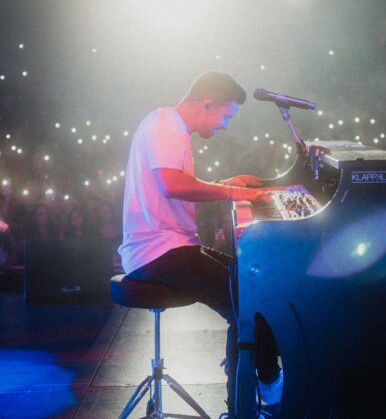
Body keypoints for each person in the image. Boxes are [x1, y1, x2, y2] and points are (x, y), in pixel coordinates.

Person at [118, 71, 281, 416]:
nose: (225, 126)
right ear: (207, 103)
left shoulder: (169, 126)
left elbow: (175, 184)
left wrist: (225, 182)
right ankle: (248, 401)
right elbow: (172, 185)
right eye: (226, 116)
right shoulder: (165, 126)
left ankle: (259, 373)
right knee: (246, 307)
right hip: (157, 252)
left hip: (168, 247)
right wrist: (235, 192)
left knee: (251, 283)